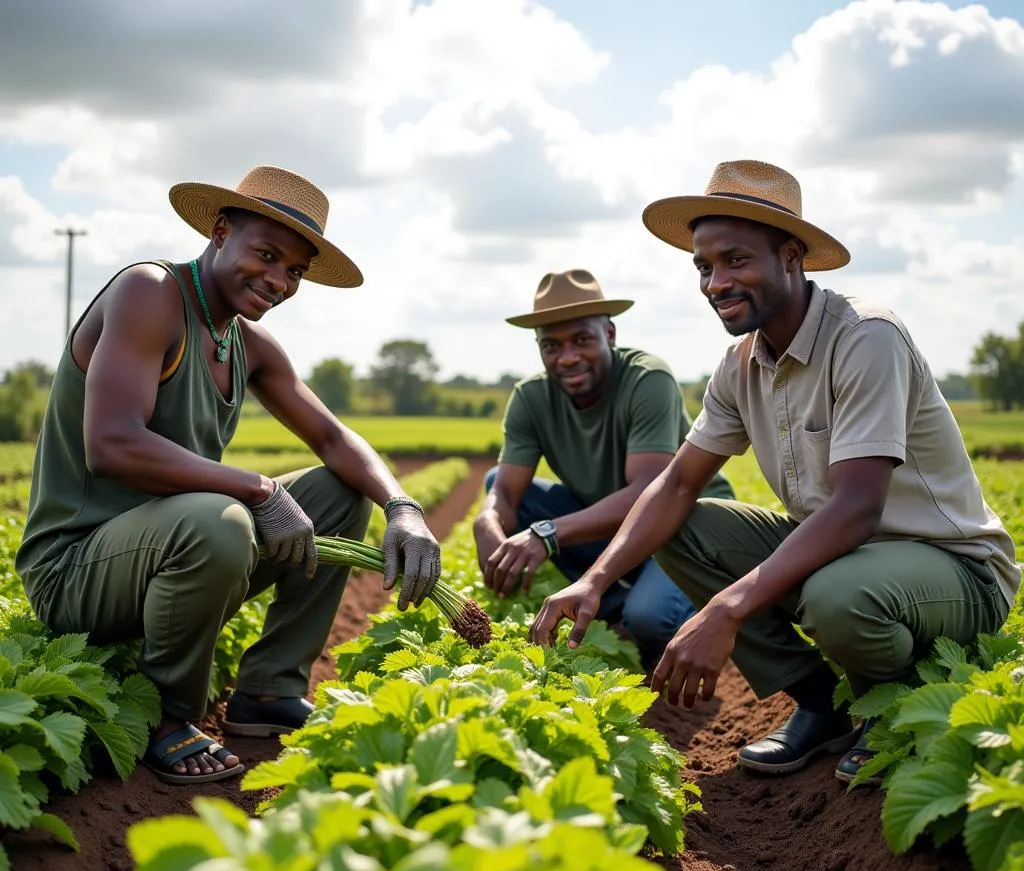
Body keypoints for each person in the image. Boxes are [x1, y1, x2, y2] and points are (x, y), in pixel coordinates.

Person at [529, 160, 1019, 783]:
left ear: (791, 255)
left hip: (953, 569)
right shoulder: (741, 363)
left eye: (735, 260)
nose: (714, 283)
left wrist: (726, 610)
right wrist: (595, 580)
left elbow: (857, 508)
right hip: (847, 557)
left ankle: (890, 705)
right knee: (682, 525)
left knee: (836, 596)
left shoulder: (866, 337)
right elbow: (678, 483)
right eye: (704, 267)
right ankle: (821, 704)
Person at [16, 165, 442, 784]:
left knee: (341, 490)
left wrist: (403, 507)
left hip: (164, 554)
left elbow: (331, 436)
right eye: (266, 255)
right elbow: (112, 444)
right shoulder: (149, 292)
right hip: (76, 568)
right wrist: (258, 487)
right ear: (220, 232)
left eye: (294, 271)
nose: (278, 280)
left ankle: (268, 693)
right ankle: (168, 716)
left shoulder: (247, 343)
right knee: (220, 523)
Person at [474, 268, 734, 669]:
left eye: (582, 340)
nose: (568, 357)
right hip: (612, 526)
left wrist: (546, 534)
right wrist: (487, 520)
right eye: (551, 346)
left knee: (652, 620)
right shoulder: (531, 397)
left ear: (609, 335)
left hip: (681, 526)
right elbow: (506, 492)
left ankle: (698, 604)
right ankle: (614, 609)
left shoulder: (648, 379)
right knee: (499, 485)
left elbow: (649, 489)